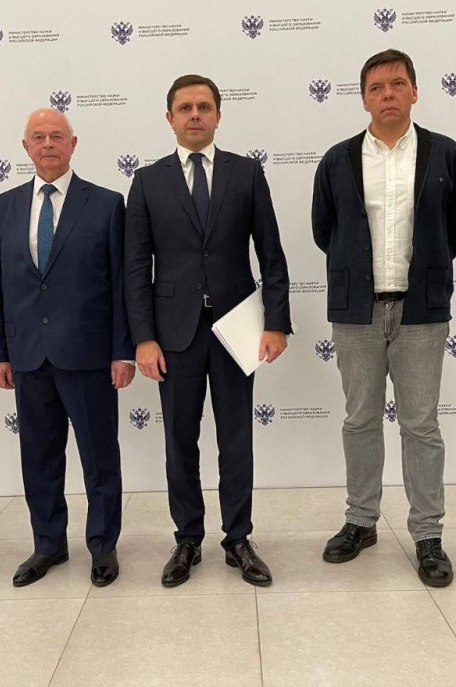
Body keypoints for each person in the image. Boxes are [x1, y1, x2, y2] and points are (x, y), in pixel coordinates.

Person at [311, 49, 456, 587]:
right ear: (364, 98)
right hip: (356, 311)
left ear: (415, 92)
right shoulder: (337, 160)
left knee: (420, 424)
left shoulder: (444, 153)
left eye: (398, 84)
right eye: (377, 87)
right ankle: (361, 521)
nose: (387, 94)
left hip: (421, 311)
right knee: (359, 419)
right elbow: (325, 230)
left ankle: (428, 534)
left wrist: (428, 268)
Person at [124, 74, 291, 587]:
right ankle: (187, 539)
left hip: (238, 328)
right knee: (180, 438)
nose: (194, 115)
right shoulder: (147, 181)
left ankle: (238, 538)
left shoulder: (247, 173)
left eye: (203, 107)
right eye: (185, 108)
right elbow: (136, 267)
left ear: (218, 115)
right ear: (170, 118)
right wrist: (143, 337)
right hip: (173, 333)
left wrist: (277, 323)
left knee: (236, 437)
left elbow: (271, 252)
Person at [0, 109, 134, 588]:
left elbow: (121, 284)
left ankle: (103, 545)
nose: (47, 144)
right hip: (28, 356)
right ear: (25, 147)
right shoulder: (1, 207)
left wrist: (123, 351)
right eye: (38, 137)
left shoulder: (106, 204)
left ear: (73, 144)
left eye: (56, 136)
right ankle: (48, 544)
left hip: (88, 354)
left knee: (99, 457)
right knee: (39, 458)